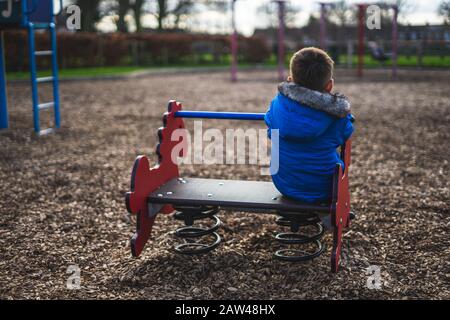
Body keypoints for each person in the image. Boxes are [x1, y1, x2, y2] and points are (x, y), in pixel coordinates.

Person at [265, 47, 354, 203]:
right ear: (329, 85)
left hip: (284, 183)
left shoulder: (276, 105)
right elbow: (345, 134)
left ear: (290, 80)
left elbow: (270, 131)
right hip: (324, 188)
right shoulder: (336, 115)